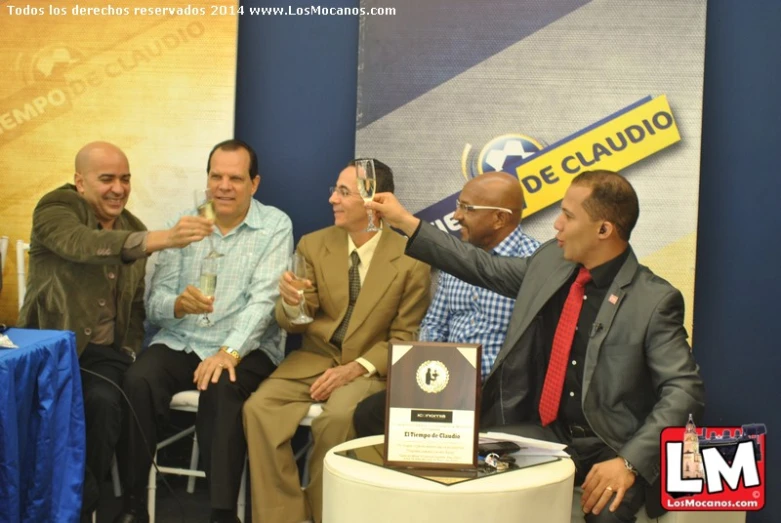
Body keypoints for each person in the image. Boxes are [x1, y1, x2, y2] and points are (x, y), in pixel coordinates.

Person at [367, 170, 705, 522]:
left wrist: (629, 461)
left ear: (603, 230)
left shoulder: (654, 300)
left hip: (612, 444)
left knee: (606, 515)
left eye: (569, 216)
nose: (556, 225)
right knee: (456, 466)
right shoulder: (550, 263)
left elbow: (684, 389)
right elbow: (481, 266)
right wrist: (405, 221)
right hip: (546, 435)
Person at [17, 141, 213, 521]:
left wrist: (130, 350)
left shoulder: (133, 226)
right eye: (106, 179)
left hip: (104, 356)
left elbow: (136, 306)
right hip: (48, 347)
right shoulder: (55, 208)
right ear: (80, 182)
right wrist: (164, 238)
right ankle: (52, 497)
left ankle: (78, 505)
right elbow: (82, 243)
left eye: (125, 179)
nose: (118, 188)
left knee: (106, 403)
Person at [112, 139, 293, 523]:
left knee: (222, 387)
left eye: (235, 178)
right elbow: (156, 301)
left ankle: (222, 513)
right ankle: (131, 504)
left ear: (254, 184)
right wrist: (178, 304)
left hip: (247, 347)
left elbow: (264, 304)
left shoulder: (275, 225)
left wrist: (229, 351)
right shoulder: (187, 222)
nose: (224, 186)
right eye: (216, 176)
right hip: (185, 338)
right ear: (207, 180)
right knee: (138, 380)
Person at [242, 159, 431, 523]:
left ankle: (327, 513)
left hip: (366, 370)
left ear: (375, 200)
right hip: (313, 361)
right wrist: (293, 304)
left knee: (339, 418)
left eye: (344, 192)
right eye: (334, 189)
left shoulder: (411, 259)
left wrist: (354, 369)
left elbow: (406, 339)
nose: (332, 199)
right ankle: (284, 516)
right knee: (258, 410)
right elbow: (296, 323)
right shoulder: (313, 245)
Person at [352, 172, 540, 438]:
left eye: (467, 208)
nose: (456, 216)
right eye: (457, 205)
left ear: (499, 218)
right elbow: (434, 323)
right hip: (444, 383)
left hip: (498, 394)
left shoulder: (535, 265)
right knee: (370, 414)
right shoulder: (455, 259)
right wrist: (429, 373)